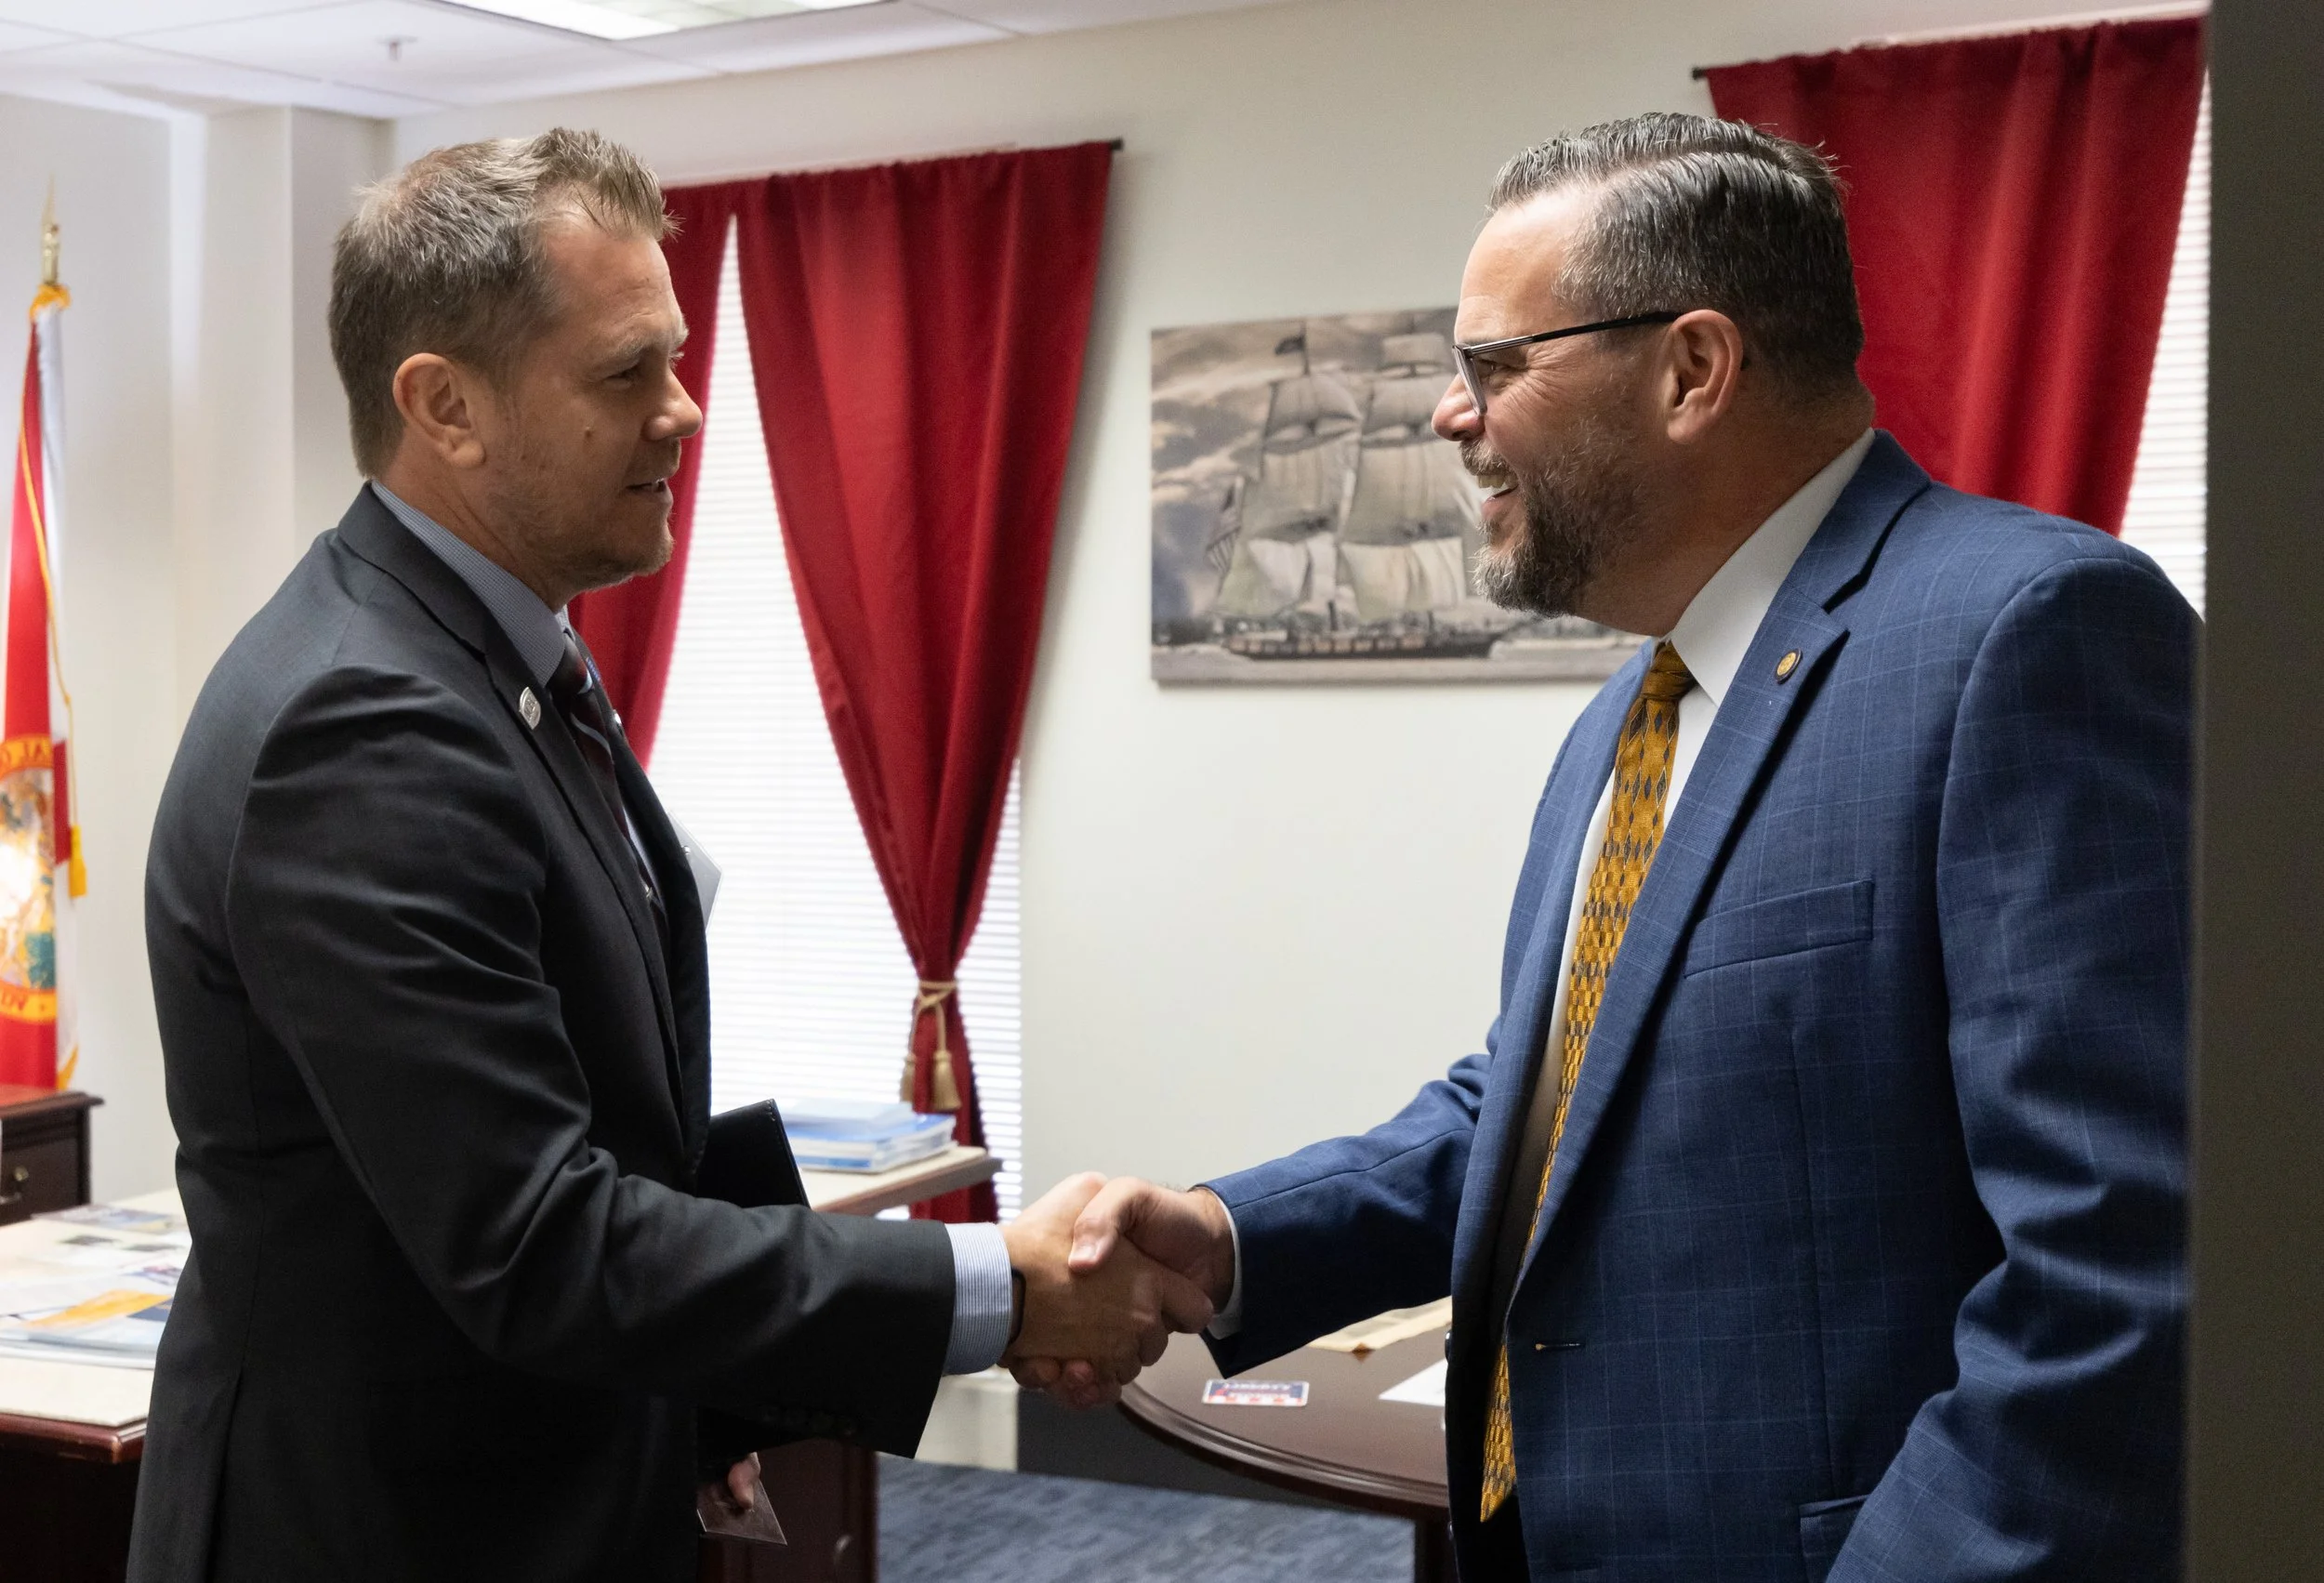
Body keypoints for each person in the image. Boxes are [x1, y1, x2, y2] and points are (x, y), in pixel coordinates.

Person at [1037, 113, 2192, 1582]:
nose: (1452, 419)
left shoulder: (2027, 640)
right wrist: (1228, 1233)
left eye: (1495, 368)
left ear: (1694, 370)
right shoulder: (1631, 714)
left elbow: (2124, 1273)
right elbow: (1545, 1108)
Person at [131, 129, 1208, 1583]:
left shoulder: (491, 664)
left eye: (677, 359)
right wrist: (989, 1287)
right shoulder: (362, 722)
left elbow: (597, 1108)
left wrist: (713, 1390)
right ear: (444, 406)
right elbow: (536, 1238)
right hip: (388, 1526)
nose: (687, 411)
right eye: (624, 373)